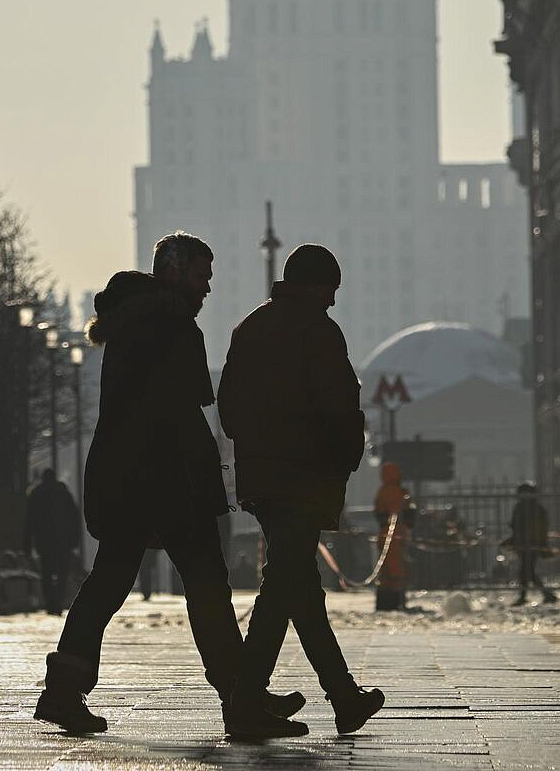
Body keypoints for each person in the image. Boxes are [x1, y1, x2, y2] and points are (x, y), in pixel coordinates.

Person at [30, 233, 302, 735]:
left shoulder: (133, 321)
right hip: (167, 479)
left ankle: (64, 690)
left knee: (113, 580)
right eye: (201, 276)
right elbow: (187, 402)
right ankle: (241, 699)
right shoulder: (170, 324)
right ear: (175, 272)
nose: (207, 289)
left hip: (132, 476)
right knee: (205, 584)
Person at [218, 243, 386, 740]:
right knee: (282, 586)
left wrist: (257, 451)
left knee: (299, 586)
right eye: (330, 289)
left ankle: (344, 697)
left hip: (263, 478)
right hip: (304, 477)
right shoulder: (317, 330)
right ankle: (246, 701)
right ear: (314, 286)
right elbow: (338, 404)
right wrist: (346, 456)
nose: (333, 300)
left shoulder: (250, 327)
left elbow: (229, 409)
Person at [25, 468, 81, 613]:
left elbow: (29, 522)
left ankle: (50, 602)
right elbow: (74, 519)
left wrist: (27, 544)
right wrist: (74, 540)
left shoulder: (36, 495)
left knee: (47, 573)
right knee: (62, 573)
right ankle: (58, 600)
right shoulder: (64, 494)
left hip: (44, 542)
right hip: (63, 542)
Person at [371, 462, 413, 612]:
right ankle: (397, 600)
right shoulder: (401, 492)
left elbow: (378, 512)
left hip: (386, 536)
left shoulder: (382, 492)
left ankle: (385, 601)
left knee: (386, 570)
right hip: (398, 536)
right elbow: (409, 515)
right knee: (398, 569)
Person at [508, 482, 557, 605]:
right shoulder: (520, 507)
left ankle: (531, 596)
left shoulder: (537, 509)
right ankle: (544, 595)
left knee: (526, 571)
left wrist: (541, 543)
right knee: (526, 571)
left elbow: (541, 528)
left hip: (533, 544)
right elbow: (515, 526)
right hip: (522, 544)